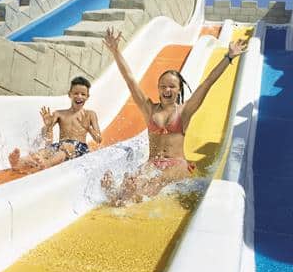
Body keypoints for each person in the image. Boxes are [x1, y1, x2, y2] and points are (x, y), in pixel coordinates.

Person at [100, 27, 247, 206]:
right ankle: (118, 194)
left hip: (178, 165)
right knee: (132, 179)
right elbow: (130, 79)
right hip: (153, 163)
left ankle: (131, 199)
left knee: (156, 181)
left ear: (179, 90)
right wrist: (116, 51)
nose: (167, 90)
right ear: (158, 88)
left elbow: (208, 82)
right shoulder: (149, 109)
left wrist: (229, 57)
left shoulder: (185, 111)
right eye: (163, 86)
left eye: (172, 86)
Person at [9, 76, 102, 173]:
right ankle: (19, 162)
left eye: (83, 94)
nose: (79, 96)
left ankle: (47, 164)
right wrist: (48, 126)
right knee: (44, 151)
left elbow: (99, 139)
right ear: (69, 94)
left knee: (64, 149)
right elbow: (45, 136)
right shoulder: (59, 114)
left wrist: (88, 128)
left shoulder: (90, 114)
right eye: (76, 93)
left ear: (87, 97)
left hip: (79, 148)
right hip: (61, 145)